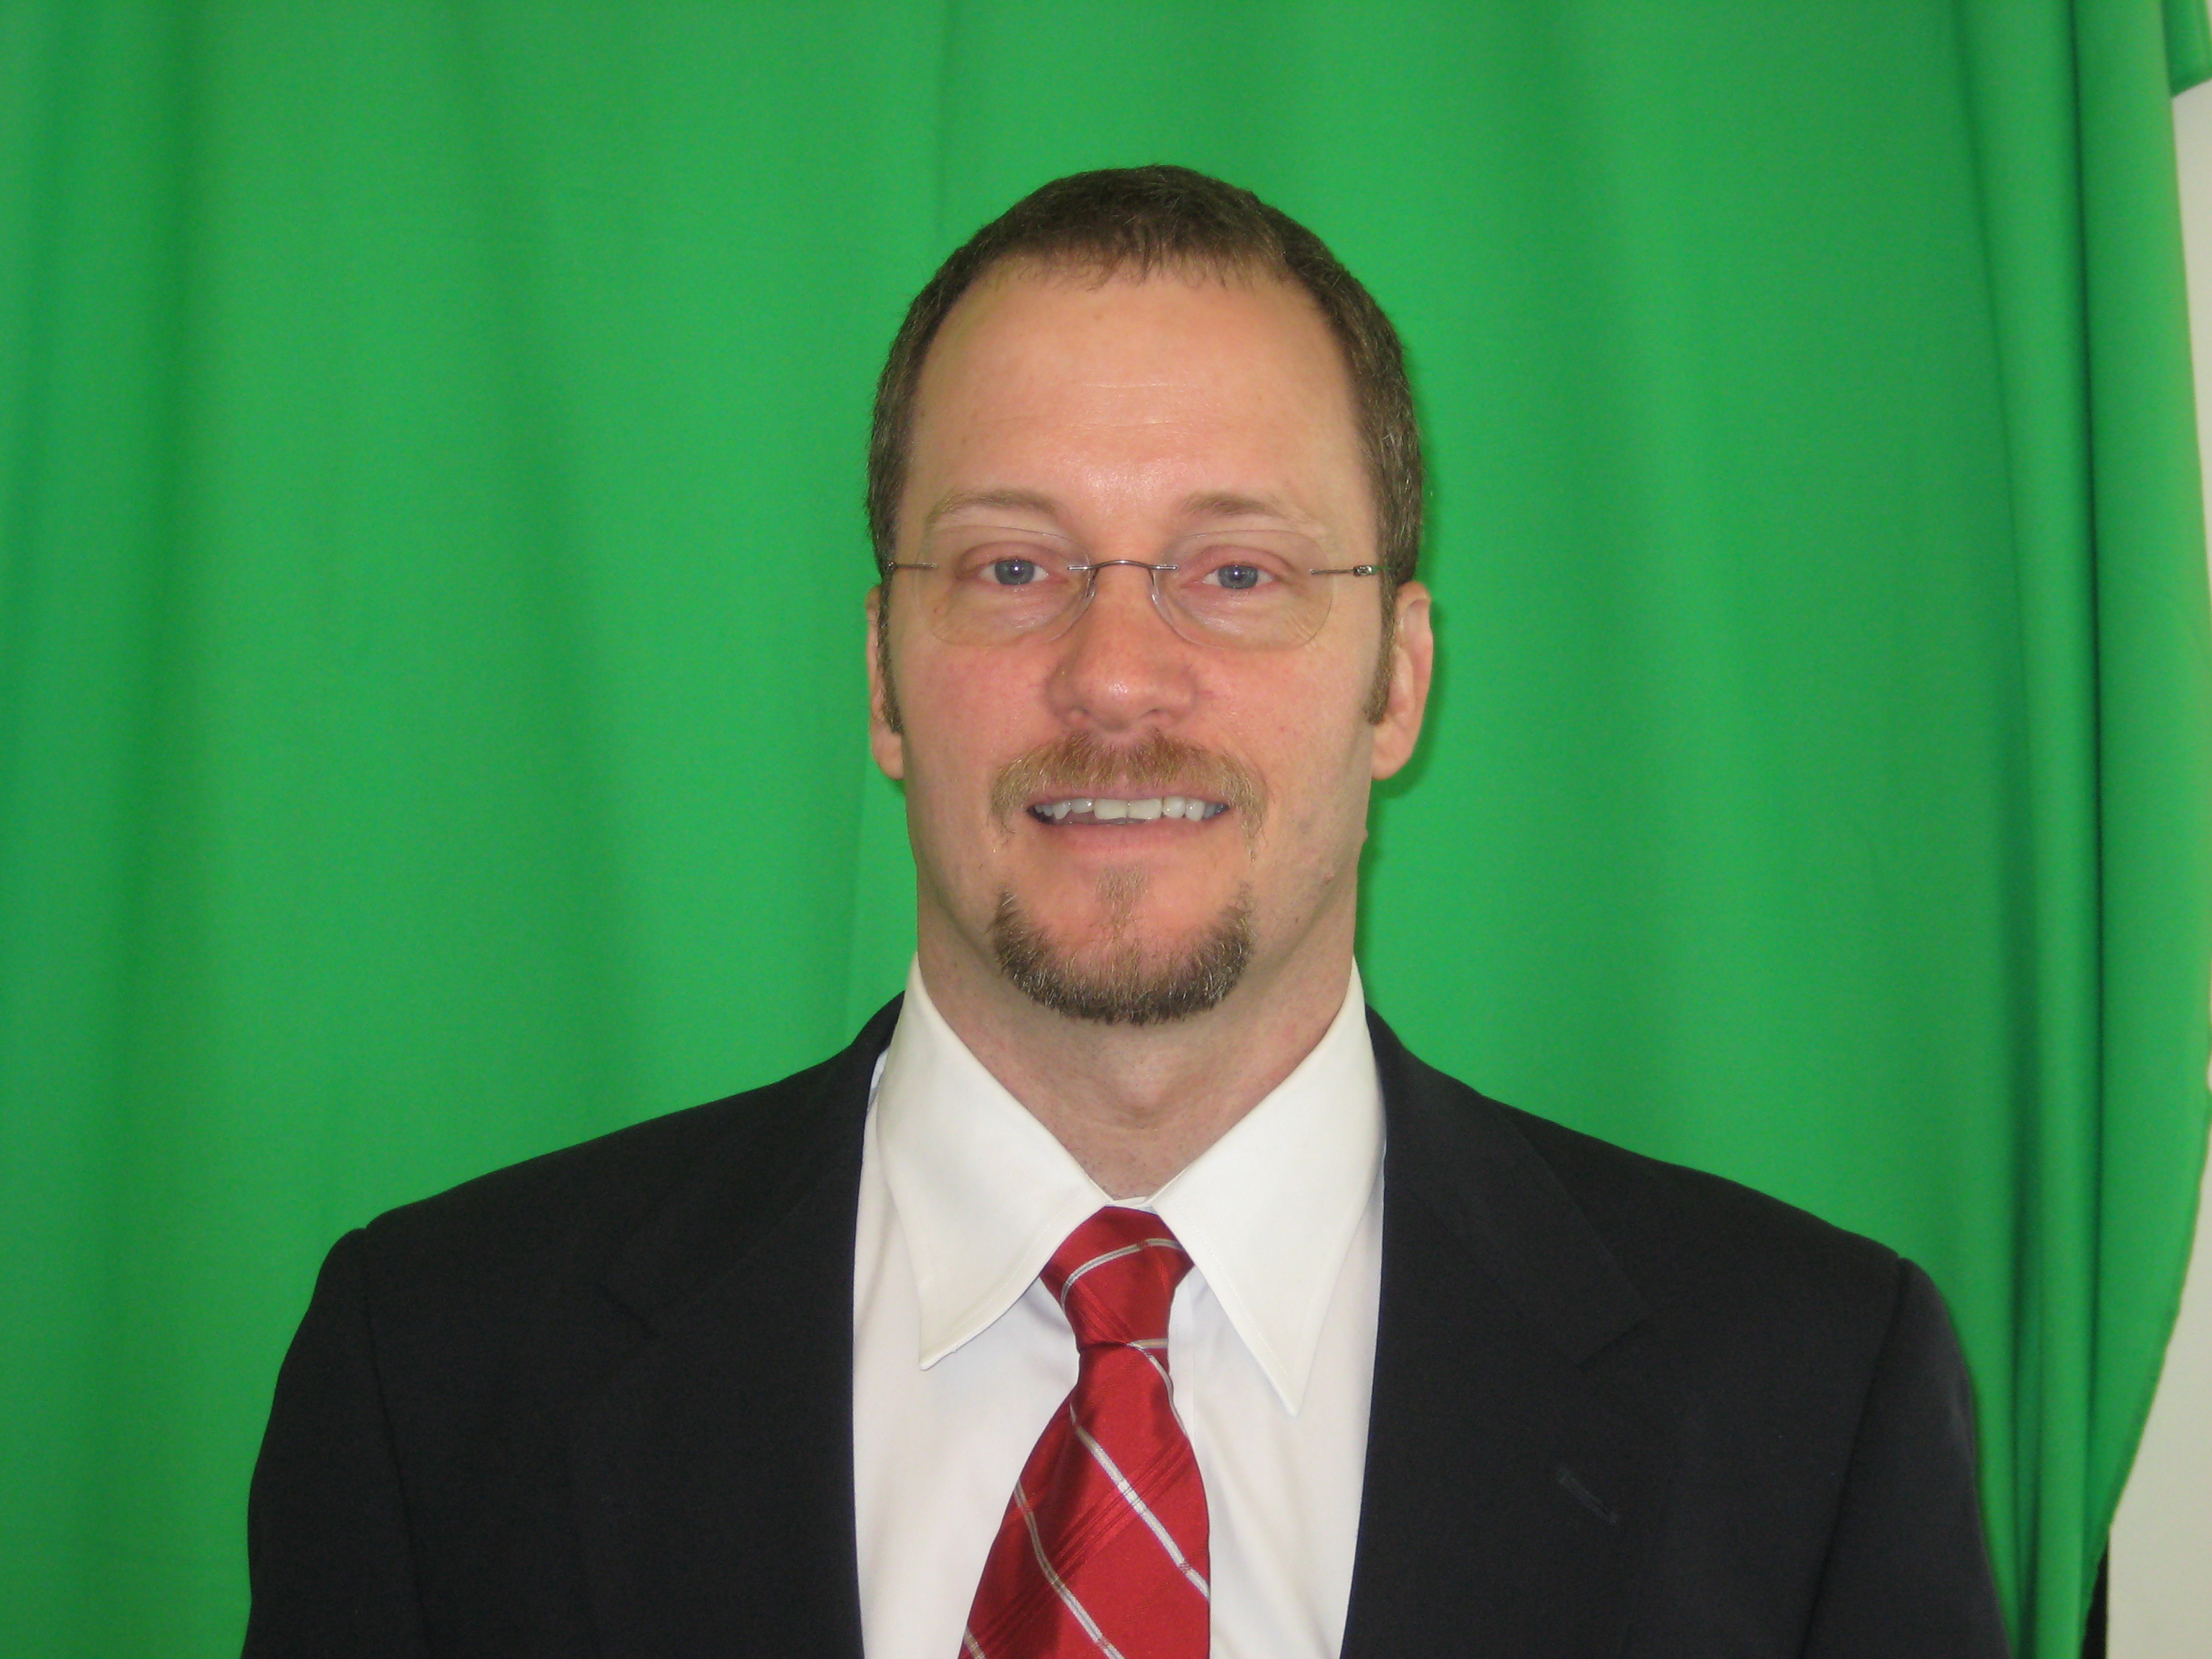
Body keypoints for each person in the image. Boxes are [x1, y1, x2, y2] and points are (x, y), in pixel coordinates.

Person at [244, 166, 2010, 1658]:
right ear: (884, 675)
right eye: (1013, 567)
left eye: (1235, 572)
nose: (1114, 678)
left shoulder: (1807, 1408)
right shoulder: (438, 1379)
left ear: (1397, 681)